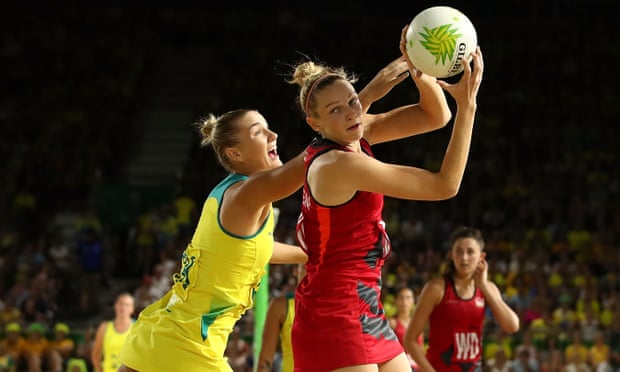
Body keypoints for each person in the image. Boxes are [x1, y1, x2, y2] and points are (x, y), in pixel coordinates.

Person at [116, 61, 404, 372]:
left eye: (268, 126)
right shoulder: (245, 194)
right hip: (186, 346)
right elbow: (311, 160)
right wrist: (362, 101)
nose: (273, 134)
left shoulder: (235, 203)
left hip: (159, 333)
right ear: (235, 154)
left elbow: (264, 250)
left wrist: (314, 256)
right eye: (259, 132)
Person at [290, 22, 483, 371]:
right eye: (336, 111)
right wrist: (468, 106)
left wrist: (420, 70)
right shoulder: (336, 164)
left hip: (364, 303)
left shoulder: (356, 135)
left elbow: (436, 115)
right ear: (314, 123)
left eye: (352, 102)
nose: (351, 113)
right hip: (333, 311)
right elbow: (445, 186)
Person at [404, 227, 520, 372]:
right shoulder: (436, 288)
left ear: (481, 257)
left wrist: (483, 285)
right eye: (458, 251)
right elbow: (410, 339)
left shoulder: (487, 288)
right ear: (451, 255)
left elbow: (512, 326)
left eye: (470, 252)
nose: (464, 257)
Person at [257, 264, 306, 372]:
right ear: (295, 270)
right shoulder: (281, 306)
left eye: (316, 268)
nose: (310, 274)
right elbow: (265, 359)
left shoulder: (336, 307)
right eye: (305, 268)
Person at [91, 292, 135, 372]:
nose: (123, 307)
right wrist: (99, 370)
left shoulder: (137, 328)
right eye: (121, 304)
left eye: (127, 305)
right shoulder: (104, 327)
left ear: (132, 309)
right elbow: (96, 354)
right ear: (115, 306)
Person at [389, 287, 422, 371]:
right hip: (399, 367)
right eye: (401, 298)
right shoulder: (392, 323)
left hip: (416, 367)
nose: (404, 302)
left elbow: (421, 351)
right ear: (395, 301)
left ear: (413, 301)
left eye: (408, 297)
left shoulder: (418, 323)